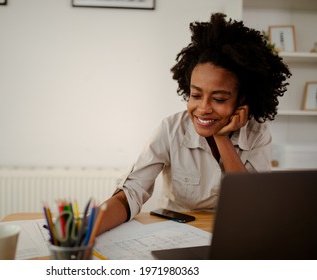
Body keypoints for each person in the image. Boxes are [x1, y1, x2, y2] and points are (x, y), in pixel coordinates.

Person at [98, 13, 291, 235]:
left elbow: (250, 205)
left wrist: (220, 137)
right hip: (176, 234)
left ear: (243, 100)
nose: (203, 108)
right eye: (196, 95)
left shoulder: (258, 134)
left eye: (219, 99)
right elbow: (131, 191)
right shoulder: (171, 129)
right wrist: (88, 228)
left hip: (233, 233)